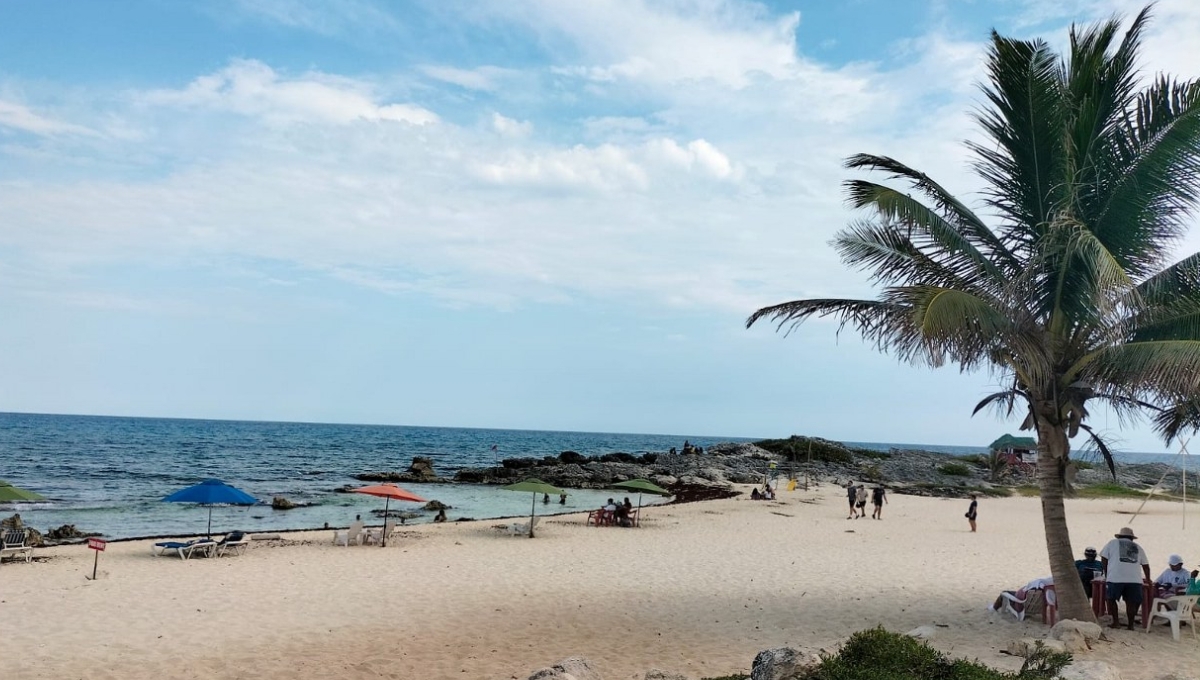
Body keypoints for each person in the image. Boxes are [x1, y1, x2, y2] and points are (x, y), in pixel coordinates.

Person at [1099, 526, 1151, 630]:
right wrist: (1148, 580)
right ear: (1132, 538)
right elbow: (1146, 565)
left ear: (1120, 536)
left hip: (1115, 577)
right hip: (1134, 579)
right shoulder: (1138, 547)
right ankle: (1131, 625)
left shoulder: (1112, 543)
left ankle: (1116, 622)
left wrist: (1106, 573)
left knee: (1111, 599)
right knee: (1131, 602)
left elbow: (1104, 558)